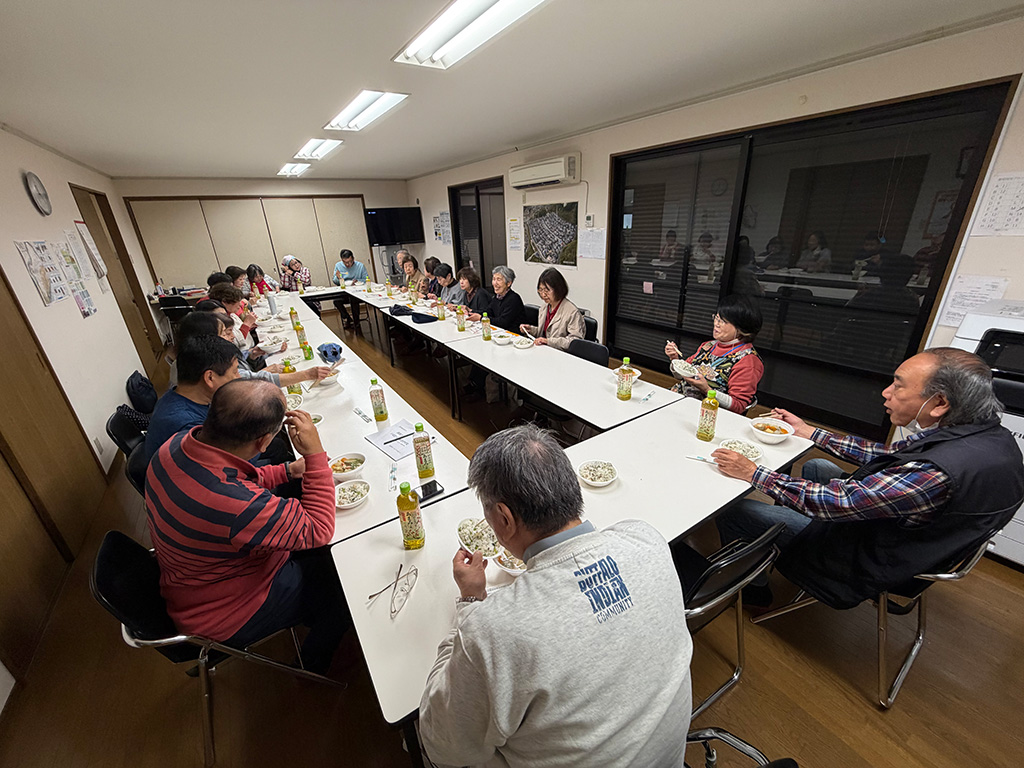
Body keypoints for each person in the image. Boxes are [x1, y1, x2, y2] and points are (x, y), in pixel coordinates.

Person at [418, 425, 693, 768]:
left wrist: (470, 605)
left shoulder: (492, 629)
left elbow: (443, 746)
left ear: (504, 518)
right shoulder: (646, 539)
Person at [712, 348, 1024, 609]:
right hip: (917, 537)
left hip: (871, 557)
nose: (886, 393)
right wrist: (810, 432)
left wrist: (753, 473)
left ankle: (756, 589)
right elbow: (888, 454)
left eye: (898, 386)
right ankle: (777, 538)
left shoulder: (936, 473)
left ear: (940, 403)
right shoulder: (989, 437)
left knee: (737, 510)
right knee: (818, 466)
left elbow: (839, 503)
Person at [146, 379, 350, 674]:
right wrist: (315, 456)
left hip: (193, 584)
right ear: (263, 442)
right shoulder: (236, 505)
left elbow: (232, 477)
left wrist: (287, 470)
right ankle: (312, 665)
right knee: (342, 583)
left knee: (303, 518)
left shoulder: (174, 446)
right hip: (228, 613)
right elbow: (318, 529)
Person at [144, 335, 240, 460]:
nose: (239, 377)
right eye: (235, 372)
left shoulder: (174, 395)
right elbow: (230, 461)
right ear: (210, 378)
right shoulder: (190, 426)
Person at [664, 294, 763, 413]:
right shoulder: (708, 345)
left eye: (723, 321)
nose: (716, 324)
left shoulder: (748, 361)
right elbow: (680, 376)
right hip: (679, 400)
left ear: (741, 328)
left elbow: (738, 406)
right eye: (716, 318)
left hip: (705, 413)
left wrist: (706, 390)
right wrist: (675, 359)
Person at [519, 267, 585, 350]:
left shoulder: (572, 312)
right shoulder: (544, 307)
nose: (543, 295)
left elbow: (574, 341)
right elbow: (545, 333)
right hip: (545, 350)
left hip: (561, 353)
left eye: (547, 290)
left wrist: (549, 341)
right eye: (541, 290)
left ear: (558, 289)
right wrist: (531, 330)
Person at [331, 249, 369, 330]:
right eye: (345, 262)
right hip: (345, 293)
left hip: (358, 293)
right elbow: (335, 281)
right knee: (336, 301)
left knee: (353, 299)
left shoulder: (360, 266)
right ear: (342, 260)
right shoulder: (338, 266)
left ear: (353, 258)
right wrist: (338, 278)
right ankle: (348, 318)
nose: (348, 264)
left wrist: (358, 281)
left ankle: (356, 322)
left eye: (350, 262)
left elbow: (366, 279)